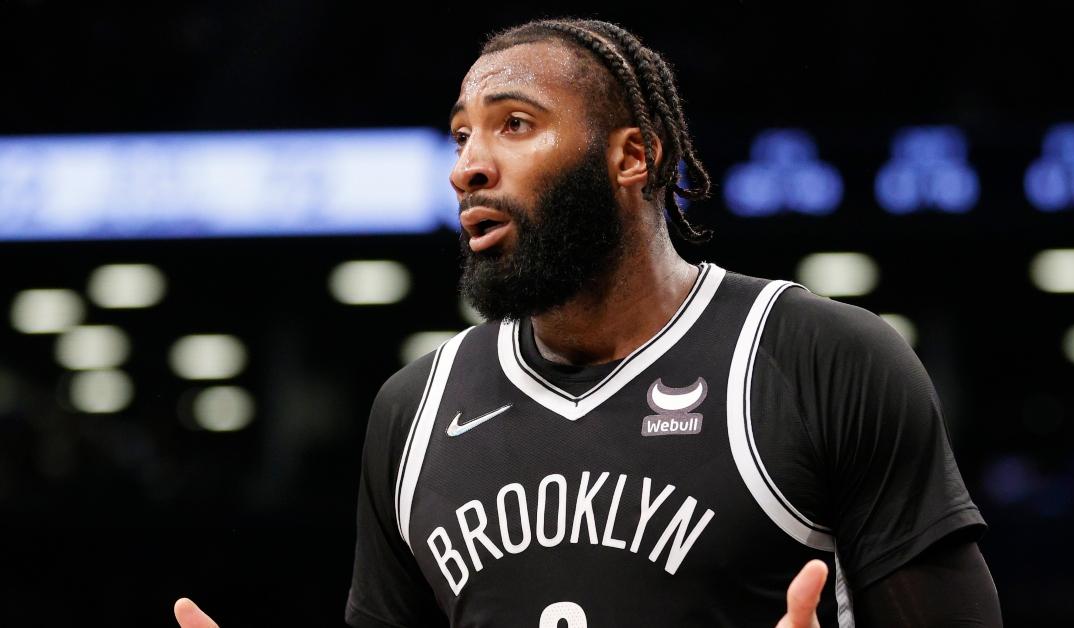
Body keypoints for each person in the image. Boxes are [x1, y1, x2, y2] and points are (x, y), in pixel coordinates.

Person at [176, 17, 1002, 628]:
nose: (468, 163)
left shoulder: (818, 358)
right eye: (460, 134)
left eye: (515, 124)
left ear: (631, 157)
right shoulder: (413, 409)